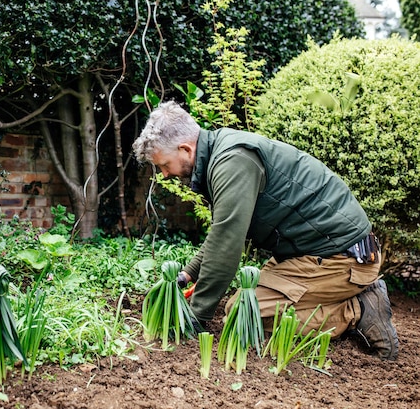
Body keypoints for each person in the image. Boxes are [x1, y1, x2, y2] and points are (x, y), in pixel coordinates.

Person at [132, 101, 399, 360]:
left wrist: (196, 318)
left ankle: (357, 310)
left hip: (341, 258)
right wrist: (188, 274)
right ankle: (352, 298)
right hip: (312, 253)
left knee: (242, 313)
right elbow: (222, 233)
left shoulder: (232, 161)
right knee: (244, 300)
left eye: (164, 165)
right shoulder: (223, 152)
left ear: (186, 150)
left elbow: (227, 244)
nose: (164, 175)